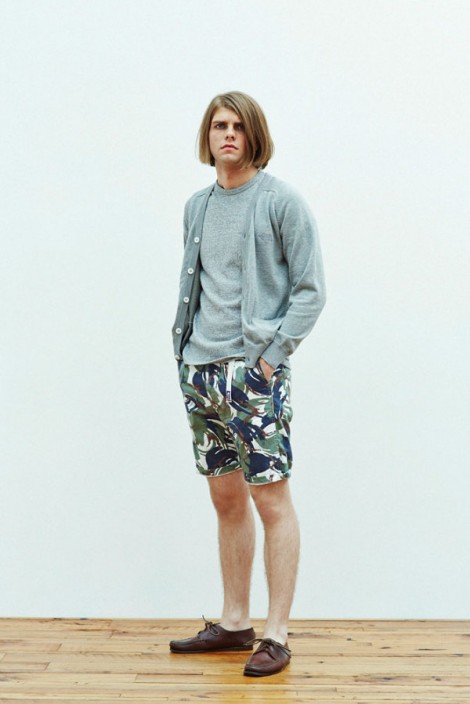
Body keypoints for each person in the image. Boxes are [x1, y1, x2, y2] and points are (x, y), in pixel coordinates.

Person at [170, 91, 326, 677]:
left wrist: (269, 359)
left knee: (270, 498)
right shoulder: (198, 206)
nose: (228, 134)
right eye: (219, 125)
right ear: (207, 136)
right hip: (201, 372)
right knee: (226, 498)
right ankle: (235, 622)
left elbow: (311, 291)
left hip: (253, 374)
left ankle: (276, 634)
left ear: (254, 134)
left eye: (238, 125)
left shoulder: (280, 202)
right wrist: (186, 357)